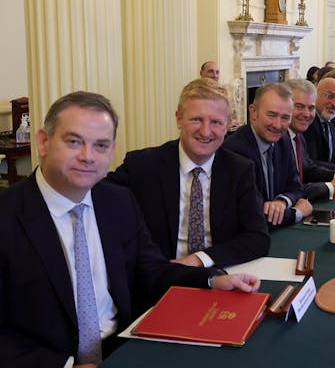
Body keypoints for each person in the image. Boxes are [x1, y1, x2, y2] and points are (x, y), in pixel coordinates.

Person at [0, 91, 259, 368]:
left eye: (101, 145)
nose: (88, 156)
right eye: (73, 142)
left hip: (122, 356)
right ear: (42, 142)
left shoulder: (117, 201)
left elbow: (150, 269)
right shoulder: (8, 217)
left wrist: (211, 280)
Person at [108, 79, 270, 268]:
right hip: (158, 280)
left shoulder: (240, 170)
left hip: (216, 274)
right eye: (196, 119)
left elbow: (258, 238)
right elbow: (97, 199)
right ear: (178, 119)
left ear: (227, 125)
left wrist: (198, 259)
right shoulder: (142, 166)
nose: (205, 131)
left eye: (216, 122)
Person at [223, 83, 312, 228]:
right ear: (253, 112)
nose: (277, 125)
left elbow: (296, 187)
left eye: (285, 118)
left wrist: (282, 201)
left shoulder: (282, 140)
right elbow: (253, 218)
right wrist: (297, 212)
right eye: (271, 115)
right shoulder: (234, 151)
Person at [286, 79, 335, 201]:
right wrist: (332, 186)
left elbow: (307, 167)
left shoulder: (297, 134)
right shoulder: (279, 138)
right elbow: (287, 190)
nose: (307, 114)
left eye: (311, 108)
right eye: (299, 106)